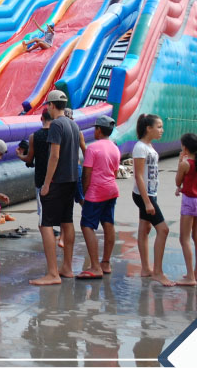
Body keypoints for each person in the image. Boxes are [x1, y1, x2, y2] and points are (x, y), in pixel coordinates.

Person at [29, 90, 80, 286]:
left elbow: (55, 156)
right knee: (67, 221)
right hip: (71, 179)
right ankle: (67, 267)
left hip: (57, 181)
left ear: (51, 106)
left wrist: (47, 183)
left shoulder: (57, 125)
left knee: (45, 225)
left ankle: (52, 273)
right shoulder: (73, 125)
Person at [131, 113, 174, 286]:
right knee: (163, 230)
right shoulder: (140, 147)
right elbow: (139, 176)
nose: (161, 130)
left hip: (150, 193)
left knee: (144, 229)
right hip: (144, 195)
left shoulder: (148, 146)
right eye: (159, 126)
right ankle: (157, 271)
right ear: (148, 128)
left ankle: (145, 268)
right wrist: (147, 201)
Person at [77, 115, 120, 279]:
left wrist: (86, 192)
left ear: (99, 130)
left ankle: (95, 266)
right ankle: (106, 262)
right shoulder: (115, 148)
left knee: (87, 225)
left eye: (95, 128)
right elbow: (115, 171)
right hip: (111, 190)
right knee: (108, 223)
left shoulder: (92, 148)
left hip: (96, 192)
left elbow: (86, 173)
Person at [174, 133, 197, 285]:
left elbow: (178, 181)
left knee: (184, 238)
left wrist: (180, 161)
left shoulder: (186, 164)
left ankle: (190, 276)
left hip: (189, 201)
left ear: (185, 148)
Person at [16, 111, 52, 228]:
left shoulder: (34, 136)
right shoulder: (57, 134)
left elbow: (29, 159)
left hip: (41, 178)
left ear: (41, 118)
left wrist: (19, 155)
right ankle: (62, 237)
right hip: (57, 177)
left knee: (43, 213)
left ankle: (47, 239)